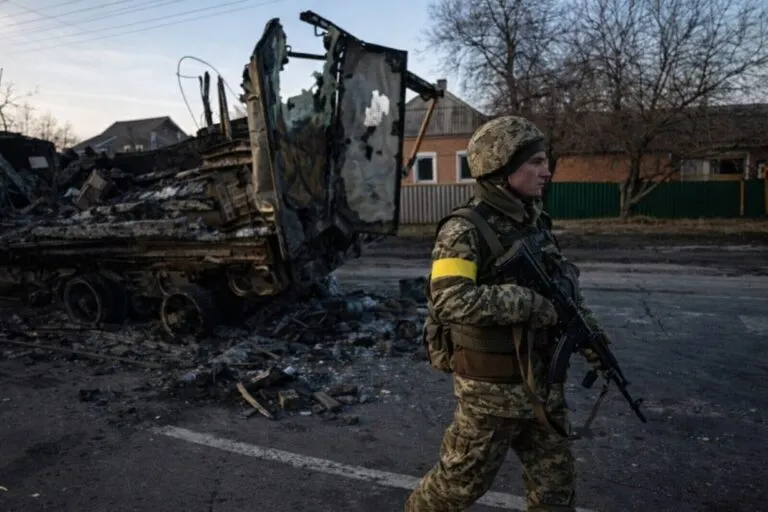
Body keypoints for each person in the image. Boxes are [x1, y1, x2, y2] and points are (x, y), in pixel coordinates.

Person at [405, 115, 605, 512]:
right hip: (491, 391)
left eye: (545, 161)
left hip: (541, 384)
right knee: (456, 488)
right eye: (536, 162)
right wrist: (526, 304)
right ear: (501, 167)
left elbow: (562, 291)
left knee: (556, 489)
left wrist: (590, 337)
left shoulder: (535, 221)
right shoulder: (463, 230)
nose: (547, 171)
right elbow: (450, 299)